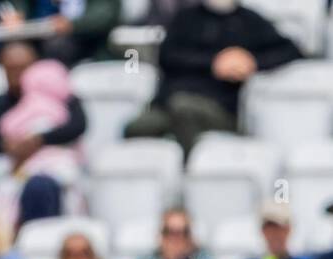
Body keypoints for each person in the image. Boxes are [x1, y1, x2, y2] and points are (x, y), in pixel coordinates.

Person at [123, 0, 301, 153]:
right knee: (138, 128)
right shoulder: (186, 18)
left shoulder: (249, 21)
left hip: (219, 107)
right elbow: (167, 56)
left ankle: (190, 173)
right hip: (170, 102)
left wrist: (250, 61)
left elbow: (291, 50)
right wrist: (213, 62)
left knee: (183, 108)